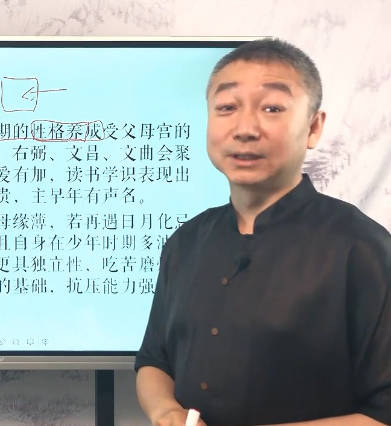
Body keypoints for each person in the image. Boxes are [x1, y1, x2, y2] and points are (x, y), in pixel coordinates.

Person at [134, 38, 391, 426]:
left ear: (314, 127)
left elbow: (384, 409)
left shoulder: (362, 248)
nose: (245, 129)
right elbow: (154, 360)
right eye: (227, 107)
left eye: (272, 108)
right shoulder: (186, 241)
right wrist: (166, 411)